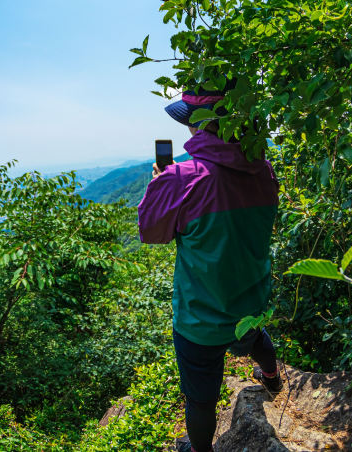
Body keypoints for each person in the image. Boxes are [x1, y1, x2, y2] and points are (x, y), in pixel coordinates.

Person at [138, 83, 281, 452]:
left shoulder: (179, 178)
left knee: (200, 397)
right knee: (253, 338)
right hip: (249, 302)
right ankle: (272, 377)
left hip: (199, 317)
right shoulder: (263, 171)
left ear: (201, 124)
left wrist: (159, 185)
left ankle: (200, 450)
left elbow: (153, 233)